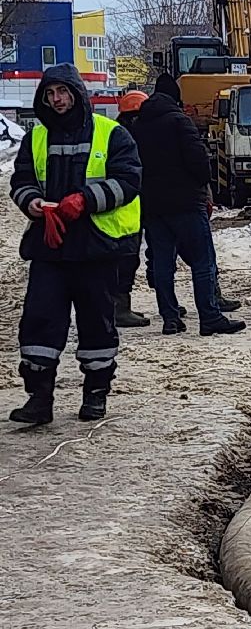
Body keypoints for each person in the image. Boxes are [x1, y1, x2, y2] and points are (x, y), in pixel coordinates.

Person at [8, 64, 142, 424]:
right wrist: (32, 201)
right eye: (50, 94)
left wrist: (86, 200)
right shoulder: (36, 137)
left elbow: (129, 180)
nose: (57, 100)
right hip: (49, 246)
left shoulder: (111, 133)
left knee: (96, 322)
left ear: (77, 94)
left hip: (95, 246)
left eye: (62, 92)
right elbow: (21, 180)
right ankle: (39, 398)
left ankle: (95, 394)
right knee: (39, 321)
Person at [129, 75, 246, 337]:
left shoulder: (138, 127)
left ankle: (170, 318)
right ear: (175, 97)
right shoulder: (180, 122)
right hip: (186, 204)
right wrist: (202, 186)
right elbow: (200, 164)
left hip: (153, 207)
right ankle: (210, 316)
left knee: (162, 263)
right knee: (202, 261)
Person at [114, 89, 152, 328]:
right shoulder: (131, 136)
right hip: (127, 211)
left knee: (125, 259)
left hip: (125, 208)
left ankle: (121, 307)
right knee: (126, 260)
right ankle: (119, 309)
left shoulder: (118, 133)